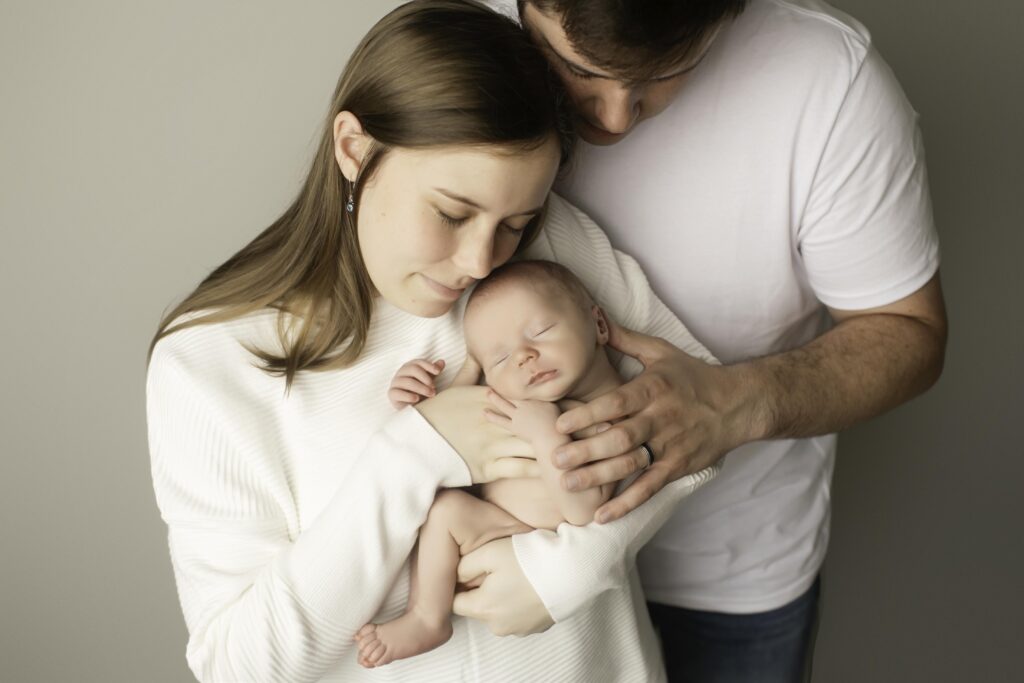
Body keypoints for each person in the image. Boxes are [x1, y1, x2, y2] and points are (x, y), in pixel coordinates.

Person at [146, 1, 716, 681]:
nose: (482, 260)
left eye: (516, 220)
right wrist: (419, 450)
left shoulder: (541, 251)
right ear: (354, 149)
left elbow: (701, 408)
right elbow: (238, 666)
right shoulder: (210, 361)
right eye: (452, 213)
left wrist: (568, 567)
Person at [469, 1, 948, 680]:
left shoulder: (830, 85)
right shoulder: (460, 31)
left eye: (663, 75)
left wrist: (741, 401)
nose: (612, 119)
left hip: (729, 586)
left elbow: (913, 333)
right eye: (575, 69)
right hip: (511, 555)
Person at [356, 260, 635, 667]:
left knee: (448, 511)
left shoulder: (611, 411)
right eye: (500, 359)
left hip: (540, 546)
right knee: (446, 510)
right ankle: (426, 616)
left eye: (540, 331)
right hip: (492, 528)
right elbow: (451, 424)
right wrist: (418, 399)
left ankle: (427, 617)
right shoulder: (522, 403)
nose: (524, 356)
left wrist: (546, 435)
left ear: (598, 324)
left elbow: (586, 511)